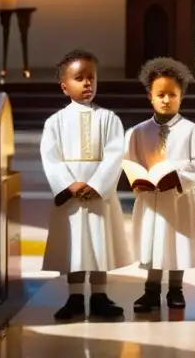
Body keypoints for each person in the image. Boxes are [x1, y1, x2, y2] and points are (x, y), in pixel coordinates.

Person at [40, 48, 133, 320]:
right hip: (70, 196)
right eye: (79, 78)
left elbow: (116, 154)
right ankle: (76, 297)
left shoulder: (109, 119)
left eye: (91, 77)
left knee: (99, 244)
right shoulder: (55, 122)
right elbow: (50, 157)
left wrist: (97, 184)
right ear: (64, 86)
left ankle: (101, 296)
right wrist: (68, 185)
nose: (87, 83)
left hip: (97, 195)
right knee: (74, 246)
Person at [125, 57, 195, 312]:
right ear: (149, 97)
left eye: (171, 94)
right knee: (152, 243)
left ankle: (176, 289)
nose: (166, 100)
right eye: (160, 94)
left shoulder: (191, 130)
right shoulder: (138, 132)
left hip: (177, 198)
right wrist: (135, 180)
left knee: (177, 242)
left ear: (181, 96)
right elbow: (129, 162)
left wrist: (179, 178)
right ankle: (151, 290)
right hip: (151, 200)